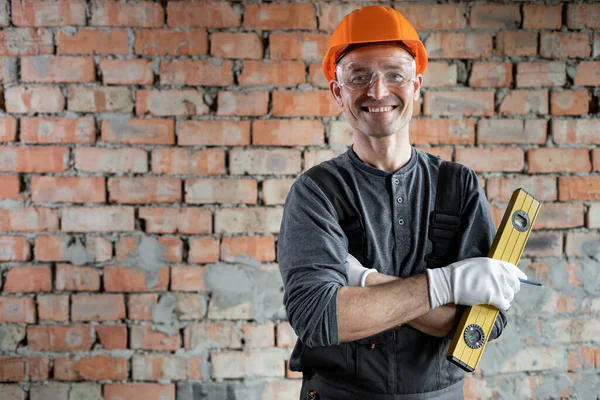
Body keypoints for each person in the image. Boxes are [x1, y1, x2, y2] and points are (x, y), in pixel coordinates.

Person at [277, 5, 527, 400]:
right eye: (359, 76)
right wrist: (450, 284)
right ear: (338, 91)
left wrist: (365, 282)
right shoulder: (316, 193)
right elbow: (319, 318)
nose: (378, 91)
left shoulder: (457, 186)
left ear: (416, 86)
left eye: (395, 74)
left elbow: (479, 329)